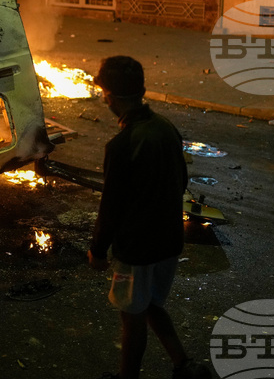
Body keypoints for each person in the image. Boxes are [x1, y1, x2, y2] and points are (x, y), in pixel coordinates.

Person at [87, 56, 210, 379]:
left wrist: (98, 251)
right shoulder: (165, 128)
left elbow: (111, 206)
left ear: (110, 96)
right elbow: (181, 180)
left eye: (105, 93)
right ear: (141, 91)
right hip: (168, 242)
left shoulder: (122, 144)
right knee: (151, 304)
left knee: (132, 315)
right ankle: (184, 364)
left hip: (136, 251)